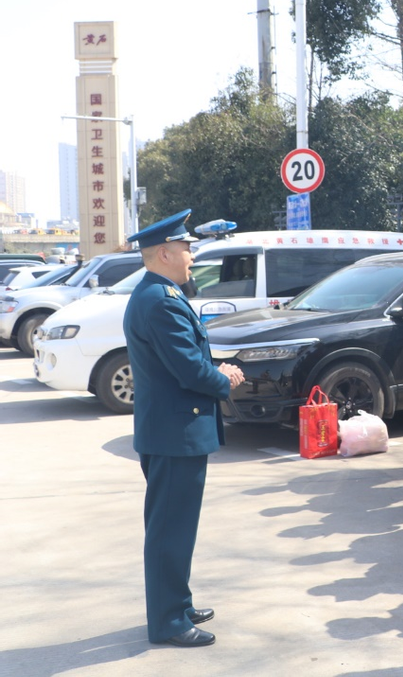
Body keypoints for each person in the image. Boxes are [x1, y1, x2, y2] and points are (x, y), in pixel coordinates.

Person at [124, 210, 245, 647]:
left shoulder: (161, 294)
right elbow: (189, 371)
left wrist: (212, 370)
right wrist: (224, 377)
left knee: (176, 527)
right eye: (187, 248)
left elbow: (182, 361)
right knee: (169, 531)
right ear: (164, 252)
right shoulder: (158, 300)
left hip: (172, 430)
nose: (192, 255)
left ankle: (176, 601)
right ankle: (169, 622)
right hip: (174, 434)